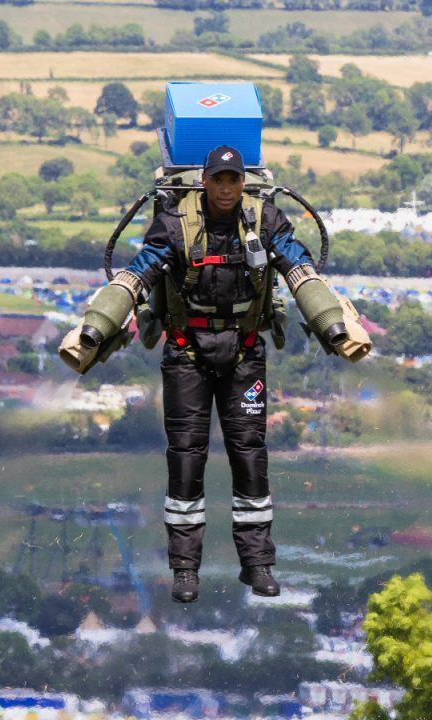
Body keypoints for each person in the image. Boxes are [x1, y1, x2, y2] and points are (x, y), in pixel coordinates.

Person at [59, 145, 370, 603]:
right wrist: (94, 328)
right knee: (186, 457)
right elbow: (136, 275)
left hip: (244, 353)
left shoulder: (264, 221)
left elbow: (298, 268)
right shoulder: (174, 225)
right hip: (186, 353)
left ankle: (258, 564)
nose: (226, 188)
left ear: (244, 183)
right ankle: (185, 569)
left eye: (234, 180)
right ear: (204, 181)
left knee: (250, 454)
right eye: (218, 179)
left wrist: (333, 323)